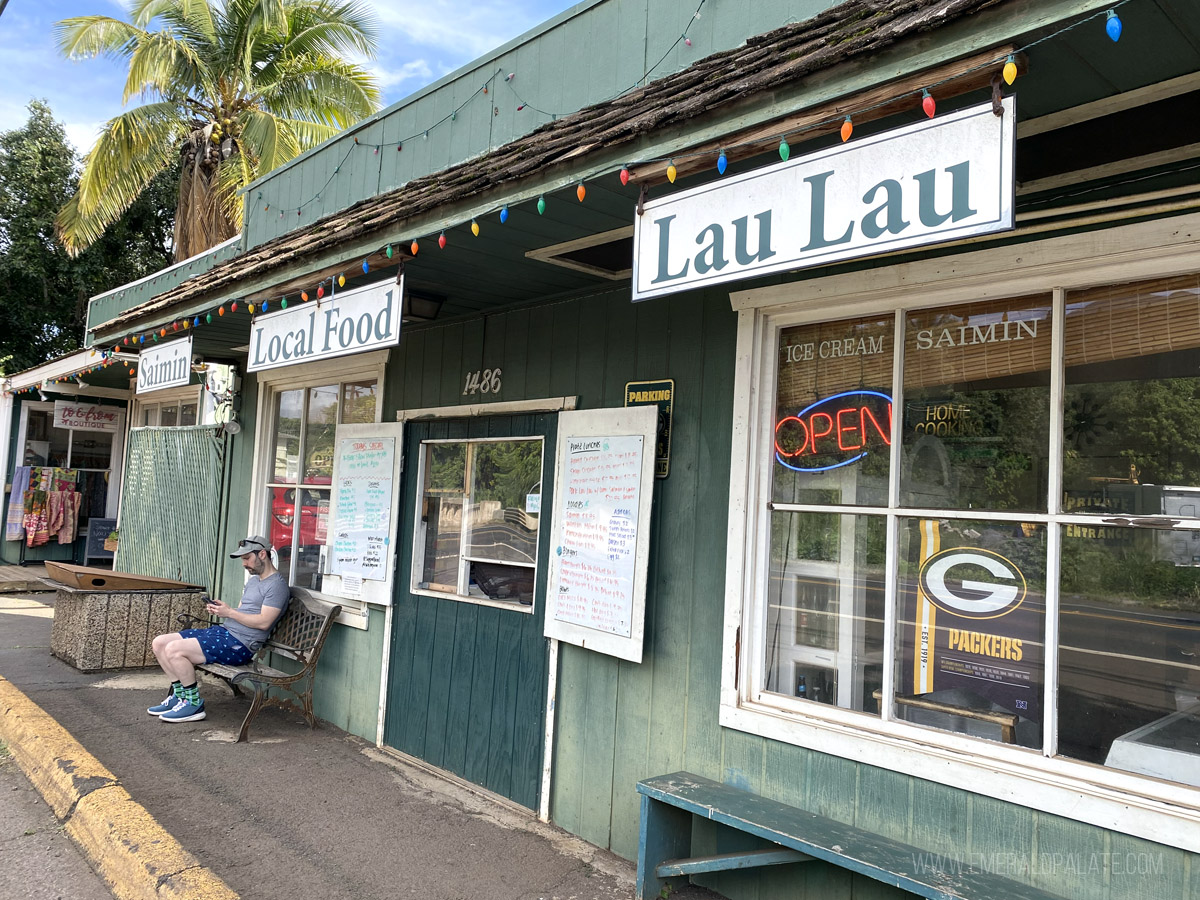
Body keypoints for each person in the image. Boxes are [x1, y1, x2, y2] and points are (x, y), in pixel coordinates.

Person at [148, 535, 289, 723]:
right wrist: (224, 609)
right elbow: (243, 612)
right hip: (225, 633)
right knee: (159, 643)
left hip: (241, 646)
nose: (244, 564)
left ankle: (193, 704)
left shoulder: (277, 586)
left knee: (174, 650)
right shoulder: (254, 581)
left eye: (247, 558)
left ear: (262, 554)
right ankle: (180, 696)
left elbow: (264, 622)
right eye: (243, 560)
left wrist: (229, 612)